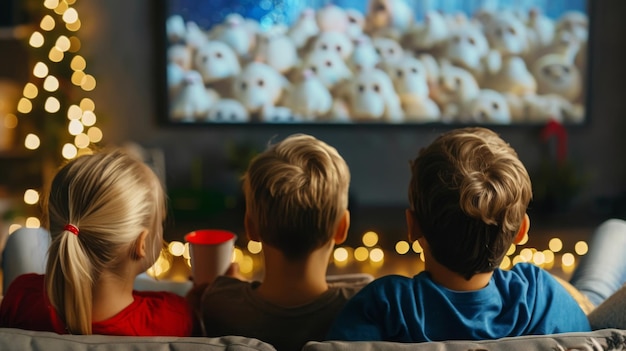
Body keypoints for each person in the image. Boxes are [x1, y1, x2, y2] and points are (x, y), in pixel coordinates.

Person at [326, 127, 626, 343]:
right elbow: (591, 334)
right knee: (616, 231)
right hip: (583, 307)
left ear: (412, 226)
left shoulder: (384, 306)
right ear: (521, 230)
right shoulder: (540, 296)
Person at [197, 133, 371, 351]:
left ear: (250, 227)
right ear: (342, 227)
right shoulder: (366, 303)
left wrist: (230, 288)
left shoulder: (217, 303)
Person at [0, 149, 195, 336]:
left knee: (23, 237)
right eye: (160, 223)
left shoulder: (21, 298)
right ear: (141, 243)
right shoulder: (174, 317)